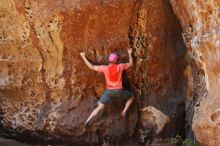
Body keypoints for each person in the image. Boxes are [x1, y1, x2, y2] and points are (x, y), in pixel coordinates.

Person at [80, 48, 134, 127]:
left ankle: (88, 121)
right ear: (117, 60)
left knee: (100, 107)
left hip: (109, 92)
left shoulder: (105, 68)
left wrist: (83, 57)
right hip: (119, 91)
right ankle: (124, 111)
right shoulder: (120, 66)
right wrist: (129, 53)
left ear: (109, 60)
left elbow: (91, 67)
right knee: (131, 97)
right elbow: (131, 64)